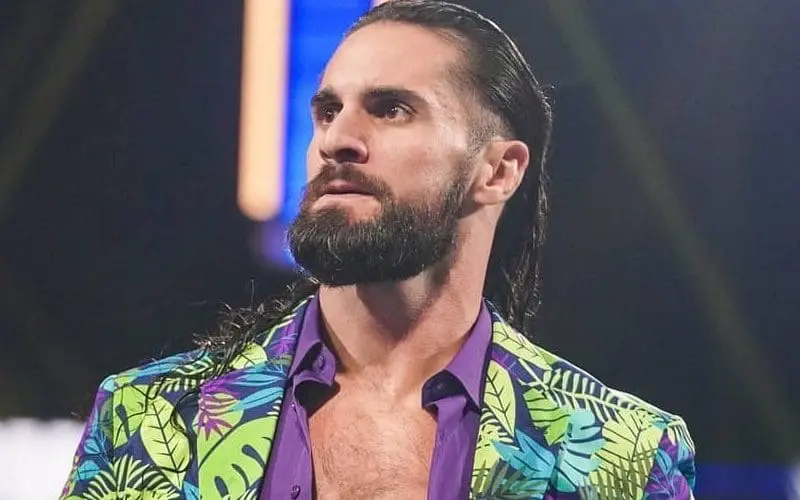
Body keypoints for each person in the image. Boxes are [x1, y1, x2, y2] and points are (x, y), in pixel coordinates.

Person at [61, 1, 696, 499]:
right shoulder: (147, 418)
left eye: (391, 109)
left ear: (498, 170)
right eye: (327, 111)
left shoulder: (621, 452)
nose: (337, 139)